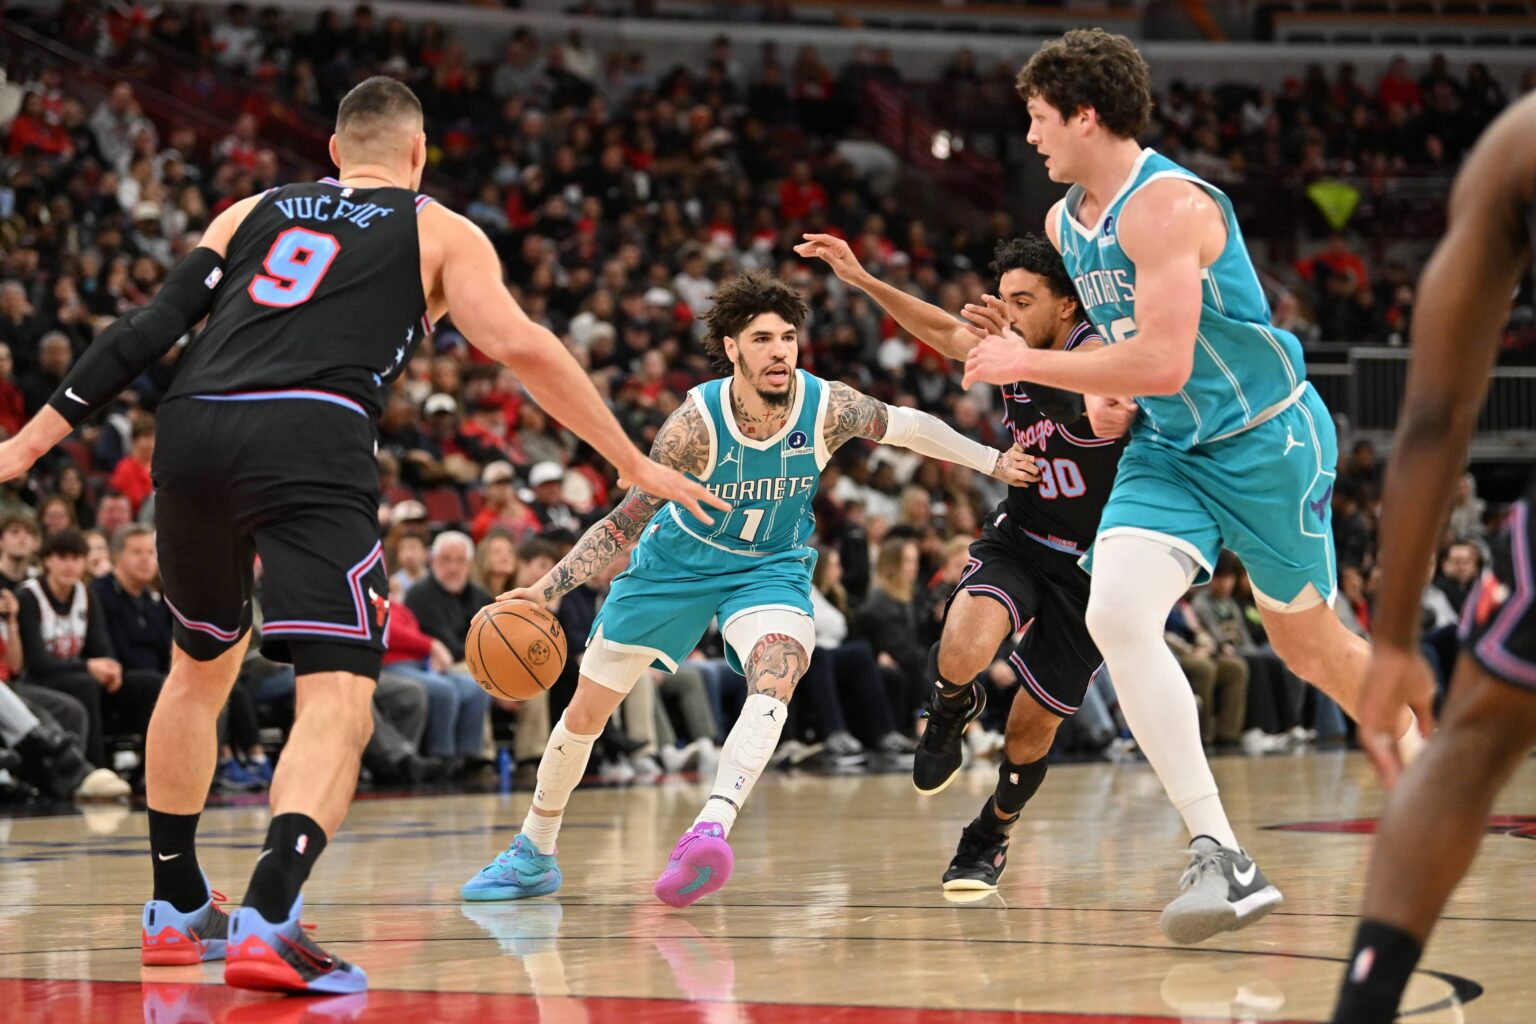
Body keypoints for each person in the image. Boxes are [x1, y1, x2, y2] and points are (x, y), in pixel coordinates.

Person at [0, 76, 721, 994]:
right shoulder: (439, 229)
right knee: (338, 691)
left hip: (189, 429)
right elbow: (524, 346)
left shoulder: (250, 209)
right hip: (310, 434)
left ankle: (177, 908)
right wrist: (632, 459)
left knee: (200, 665)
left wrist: (26, 445)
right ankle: (268, 914)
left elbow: (147, 329)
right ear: (418, 156)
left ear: (335, 150)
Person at [960, 29, 1424, 942]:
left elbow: (1169, 357)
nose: (1030, 137)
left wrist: (1035, 364)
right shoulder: (1065, 223)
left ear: (1086, 116)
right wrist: (1112, 402)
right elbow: (1135, 359)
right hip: (1169, 450)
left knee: (1310, 649)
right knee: (1118, 614)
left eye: (1040, 119)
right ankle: (1222, 854)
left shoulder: (1168, 206)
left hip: (1265, 444)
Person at [461, 270, 1035, 907]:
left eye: (788, 337)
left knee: (778, 671)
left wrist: (991, 461)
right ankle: (534, 849)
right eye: (761, 339)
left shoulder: (828, 406)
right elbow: (626, 519)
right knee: (586, 713)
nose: (780, 351)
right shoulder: (693, 426)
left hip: (768, 567)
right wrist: (546, 589)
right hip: (673, 569)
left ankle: (710, 829)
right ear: (732, 349)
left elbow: (907, 426)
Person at [797, 230, 1130, 892]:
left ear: (1066, 306)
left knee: (1030, 737)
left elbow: (1110, 414)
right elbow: (940, 330)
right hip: (1023, 538)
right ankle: (952, 704)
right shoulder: (1014, 346)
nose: (1005, 314)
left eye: (1023, 300)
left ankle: (990, 833)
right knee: (961, 645)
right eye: (1001, 300)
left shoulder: (1095, 352)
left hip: (1094, 568)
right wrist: (862, 278)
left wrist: (1019, 364)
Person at [1328, 93, 1536, 1024]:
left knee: (1468, 748)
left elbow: (1436, 417)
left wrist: (1397, 638)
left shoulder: (1521, 140)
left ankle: (1362, 1009)